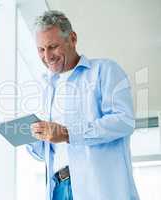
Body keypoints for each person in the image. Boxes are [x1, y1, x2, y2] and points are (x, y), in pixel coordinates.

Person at [27, 10, 139, 200]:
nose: (47, 56)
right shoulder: (47, 88)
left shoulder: (104, 70)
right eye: (41, 49)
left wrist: (68, 133)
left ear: (72, 38)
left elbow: (124, 121)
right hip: (58, 189)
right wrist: (33, 137)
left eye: (53, 46)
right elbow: (47, 153)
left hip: (99, 190)